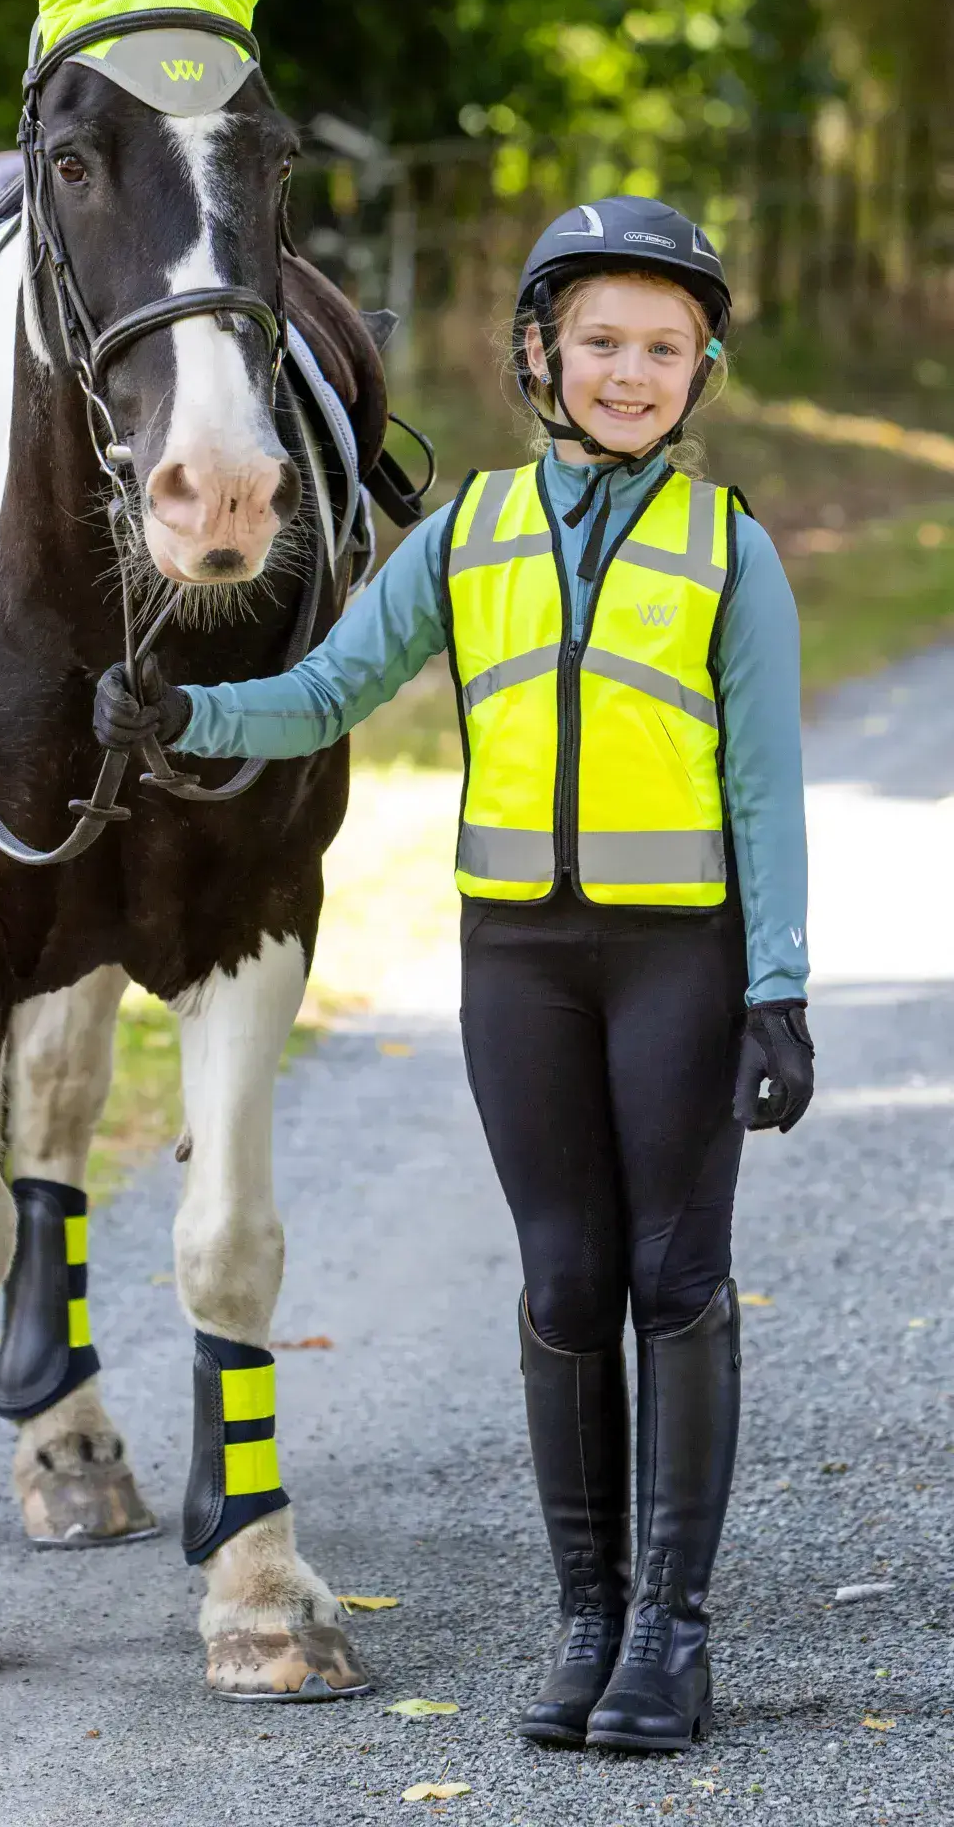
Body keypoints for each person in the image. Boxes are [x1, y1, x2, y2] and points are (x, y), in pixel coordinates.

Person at [93, 196, 814, 1753]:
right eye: (601, 342)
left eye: (662, 349)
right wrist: (187, 721)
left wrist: (780, 989)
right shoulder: (463, 533)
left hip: (676, 960)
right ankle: (584, 1625)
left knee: (671, 1282)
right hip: (520, 964)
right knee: (561, 1285)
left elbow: (766, 787)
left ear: (700, 372)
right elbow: (326, 689)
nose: (629, 372)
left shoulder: (728, 549)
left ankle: (670, 1640)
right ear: (539, 352)